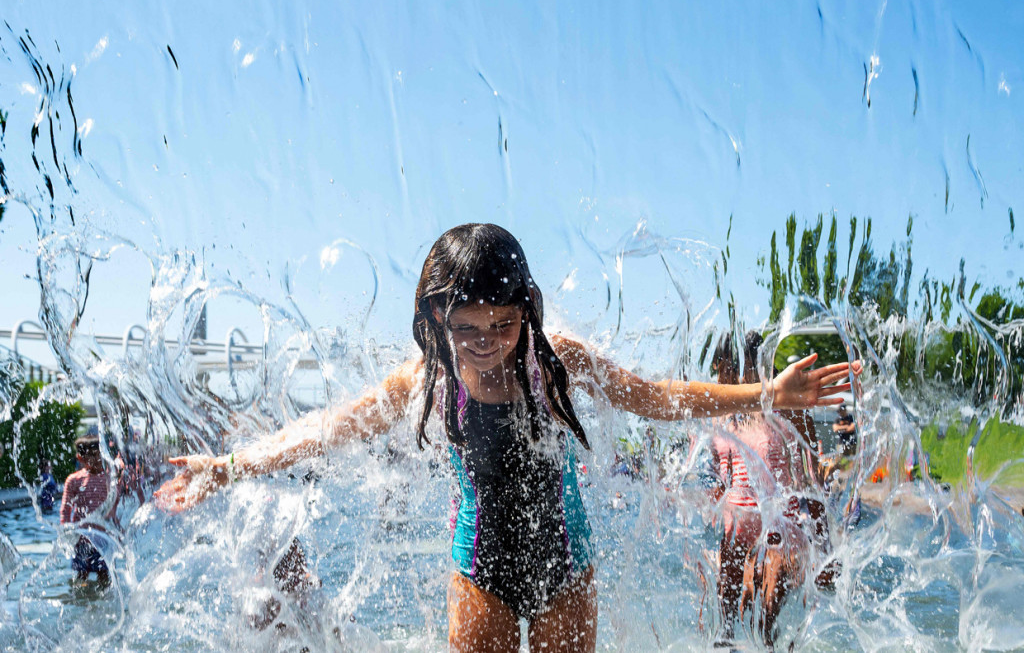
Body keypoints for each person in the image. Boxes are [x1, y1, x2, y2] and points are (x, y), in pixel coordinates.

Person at [156, 223, 852, 653]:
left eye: (503, 325)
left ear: (527, 310)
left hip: (565, 570)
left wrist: (768, 395)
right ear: (435, 318)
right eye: (466, 328)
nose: (486, 343)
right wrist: (232, 464)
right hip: (478, 572)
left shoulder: (555, 364)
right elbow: (328, 427)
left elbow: (657, 397)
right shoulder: (428, 379)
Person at [708, 331, 836, 649]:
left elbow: (812, 483)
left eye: (725, 367)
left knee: (768, 610)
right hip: (736, 529)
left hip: (780, 526)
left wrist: (825, 551)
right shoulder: (724, 411)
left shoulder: (788, 405)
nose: (721, 376)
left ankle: (773, 639)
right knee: (723, 627)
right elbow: (720, 481)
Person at [60, 433, 115, 587]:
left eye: (99, 455)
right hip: (81, 538)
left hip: (103, 537)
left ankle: (102, 596)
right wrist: (66, 530)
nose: (97, 460)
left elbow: (113, 505)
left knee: (104, 573)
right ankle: (81, 596)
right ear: (80, 458)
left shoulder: (108, 478)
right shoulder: (74, 480)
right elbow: (65, 508)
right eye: (92, 456)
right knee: (81, 573)